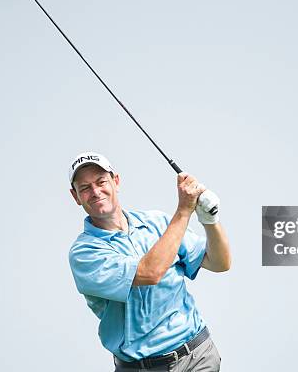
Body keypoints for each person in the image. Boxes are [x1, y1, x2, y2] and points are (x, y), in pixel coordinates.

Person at [67, 151, 231, 371]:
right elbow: (149, 273)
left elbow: (220, 263)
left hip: (198, 356)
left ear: (116, 181)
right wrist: (184, 211)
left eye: (101, 182)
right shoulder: (84, 253)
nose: (96, 192)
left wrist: (210, 220)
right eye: (85, 188)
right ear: (75, 196)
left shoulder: (157, 222)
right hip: (142, 367)